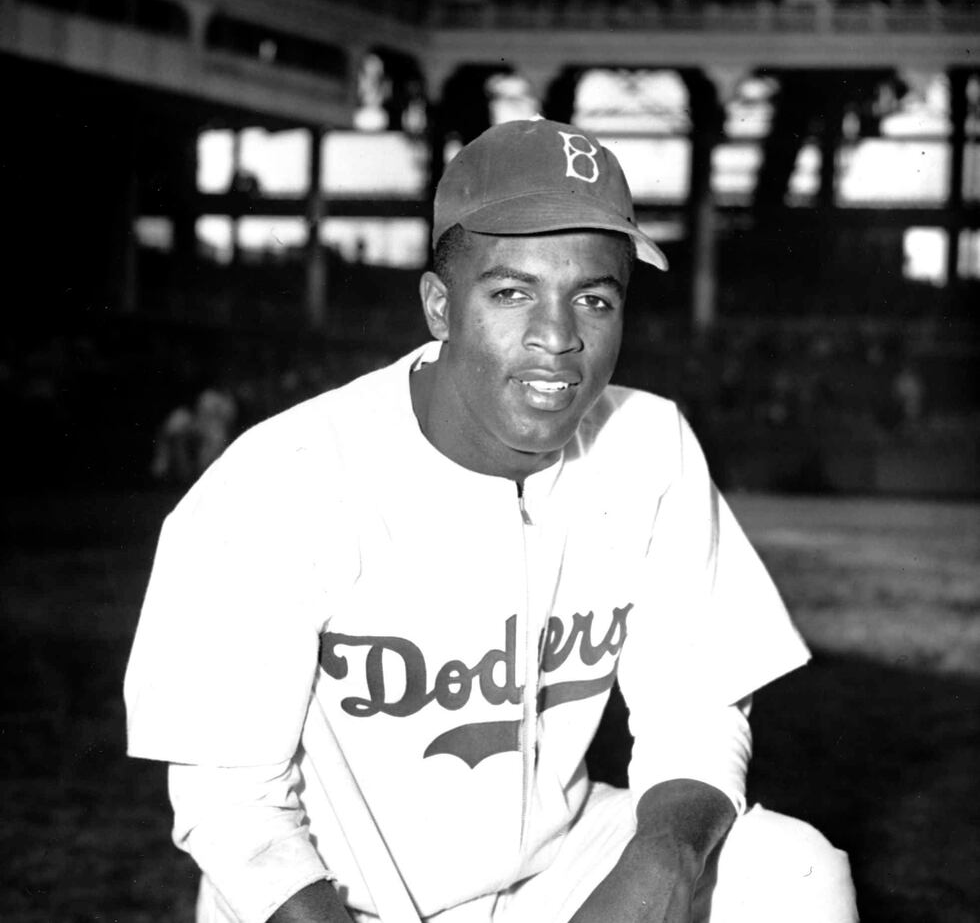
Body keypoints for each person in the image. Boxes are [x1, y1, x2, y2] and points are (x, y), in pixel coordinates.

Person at [124, 118, 858, 923]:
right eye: (512, 292)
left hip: (555, 868)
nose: (558, 338)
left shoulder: (650, 444)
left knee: (792, 870)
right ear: (440, 306)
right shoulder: (280, 481)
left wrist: (660, 865)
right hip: (333, 899)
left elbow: (696, 707)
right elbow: (229, 804)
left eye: (594, 297)